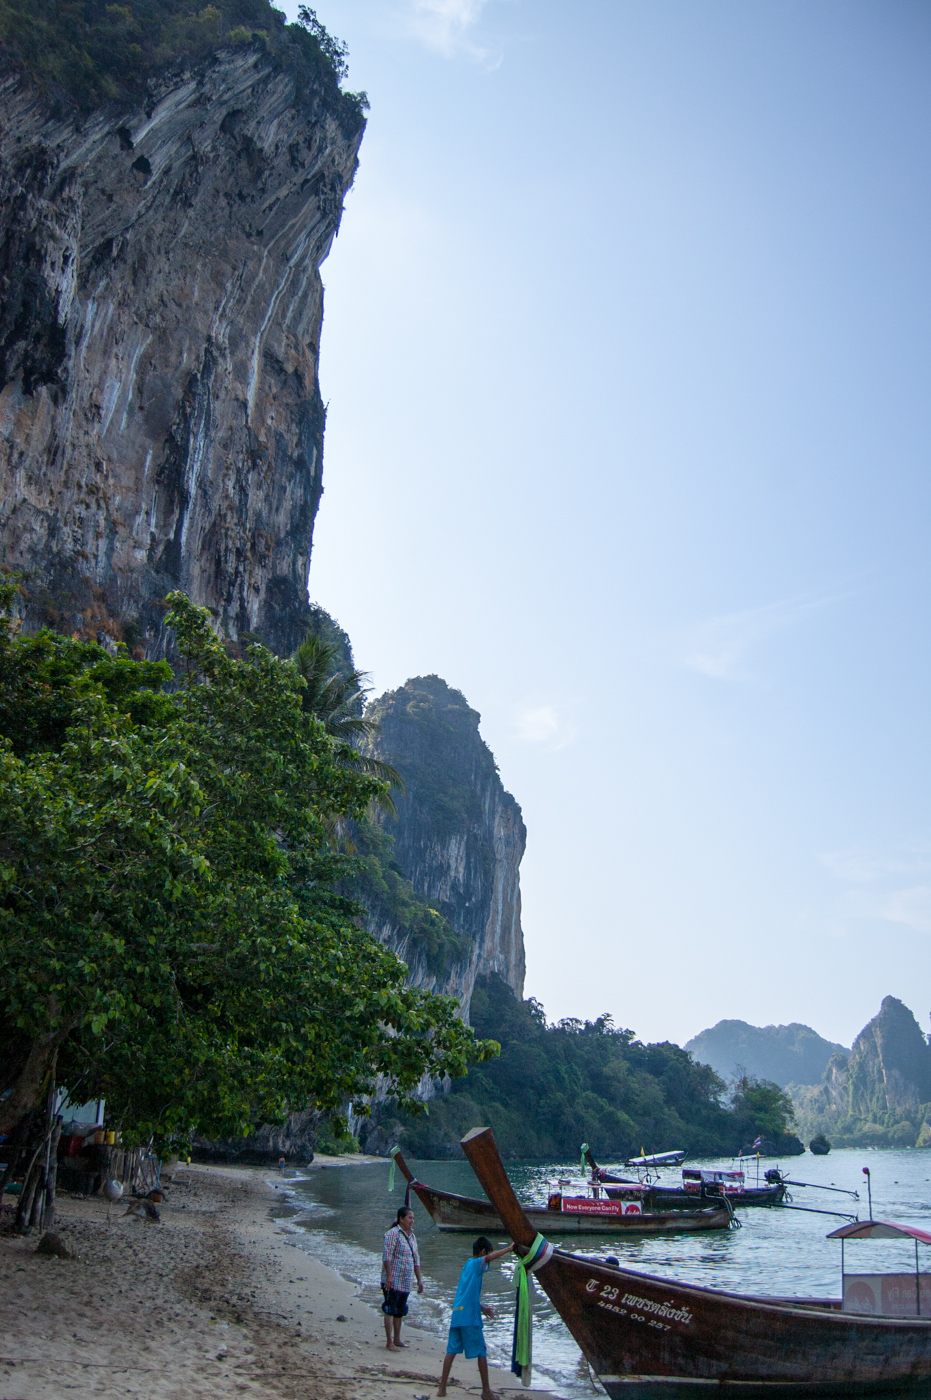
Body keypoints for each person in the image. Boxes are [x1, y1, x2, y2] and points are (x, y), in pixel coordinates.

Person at [437, 1235, 512, 1400]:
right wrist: (509, 1249)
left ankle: (442, 1388)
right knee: (481, 1351)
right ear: (483, 1252)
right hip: (469, 1317)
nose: (488, 1263)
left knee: (452, 1350)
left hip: (458, 1312)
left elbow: (467, 1294)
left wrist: (482, 1307)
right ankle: (486, 1391)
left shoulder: (467, 1266)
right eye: (487, 1257)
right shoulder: (477, 1263)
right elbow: (489, 1258)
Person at [381, 1205, 423, 1351]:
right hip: (393, 1279)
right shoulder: (392, 1234)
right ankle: (389, 1342)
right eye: (409, 1217)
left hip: (406, 1280)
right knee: (390, 1309)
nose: (412, 1220)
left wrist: (419, 1280)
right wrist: (389, 1276)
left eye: (413, 1218)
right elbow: (387, 1256)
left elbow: (415, 1259)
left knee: (400, 1310)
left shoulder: (412, 1236)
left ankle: (397, 1339)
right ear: (401, 1219)